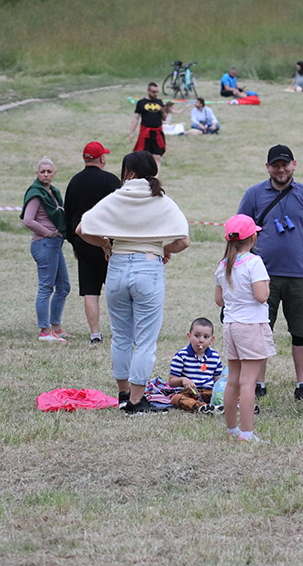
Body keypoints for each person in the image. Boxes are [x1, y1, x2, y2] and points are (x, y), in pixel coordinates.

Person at [77, 151, 190, 414]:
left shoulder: (116, 197)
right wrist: (163, 247)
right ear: (153, 170)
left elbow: (82, 229)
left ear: (127, 172)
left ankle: (123, 394)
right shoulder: (161, 200)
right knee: (145, 340)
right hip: (148, 268)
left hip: (117, 266)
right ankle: (138, 400)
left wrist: (106, 244)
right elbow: (183, 240)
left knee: (121, 337)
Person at [237, 144, 303, 401]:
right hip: (261, 276)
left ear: (294, 165)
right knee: (259, 329)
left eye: (285, 164)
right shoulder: (254, 194)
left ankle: (302, 385)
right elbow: (239, 231)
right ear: (267, 167)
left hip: (299, 275)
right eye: (275, 164)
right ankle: (258, 383)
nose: (280, 169)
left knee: (301, 332)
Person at [214, 214, 274, 442]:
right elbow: (261, 296)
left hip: (230, 325)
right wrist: (267, 286)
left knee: (233, 380)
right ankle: (247, 434)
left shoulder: (223, 265)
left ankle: (232, 429)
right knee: (249, 382)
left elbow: (219, 300)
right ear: (253, 237)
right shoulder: (254, 263)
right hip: (251, 326)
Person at [65, 141, 121, 346]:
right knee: (116, 290)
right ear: (102, 159)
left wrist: (74, 243)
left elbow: (68, 215)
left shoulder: (74, 182)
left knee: (90, 290)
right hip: (109, 243)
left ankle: (95, 334)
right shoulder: (111, 181)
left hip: (83, 240)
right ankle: (120, 332)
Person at [22, 157, 70, 342]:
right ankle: (45, 331)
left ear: (54, 173)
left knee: (64, 286)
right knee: (46, 287)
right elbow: (28, 220)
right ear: (37, 173)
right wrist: (48, 233)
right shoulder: (36, 193)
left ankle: (56, 326)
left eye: (49, 171)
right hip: (44, 244)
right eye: (42, 171)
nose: (46, 174)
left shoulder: (53, 192)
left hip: (55, 245)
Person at [168, 318, 224, 413]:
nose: (201, 340)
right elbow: (171, 381)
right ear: (189, 336)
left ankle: (238, 405)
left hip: (208, 391)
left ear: (212, 340)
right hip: (187, 393)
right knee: (176, 398)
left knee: (230, 393)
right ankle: (201, 408)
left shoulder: (214, 357)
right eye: (197, 336)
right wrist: (183, 380)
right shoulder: (181, 356)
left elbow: (217, 380)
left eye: (206, 337)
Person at [129, 83, 166, 170]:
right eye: (153, 92)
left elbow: (164, 118)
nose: (155, 94)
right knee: (143, 156)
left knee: (157, 156)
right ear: (148, 91)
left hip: (157, 132)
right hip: (145, 132)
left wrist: (163, 111)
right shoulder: (141, 103)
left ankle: (155, 178)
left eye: (157, 92)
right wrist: (132, 132)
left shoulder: (159, 102)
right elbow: (136, 118)